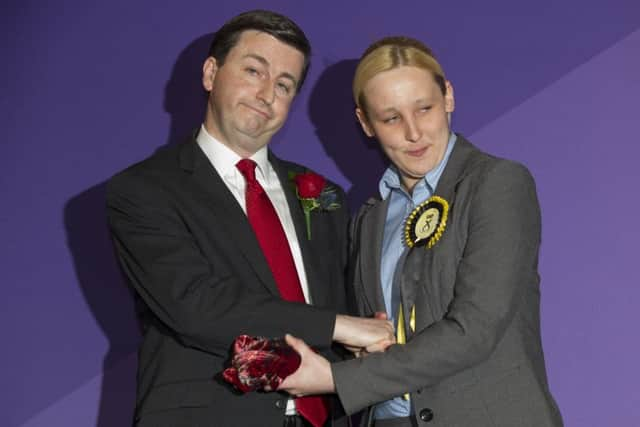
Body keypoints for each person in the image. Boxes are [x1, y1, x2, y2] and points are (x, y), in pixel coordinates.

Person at [106, 10, 393, 427]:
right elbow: (198, 307)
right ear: (210, 73)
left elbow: (343, 302)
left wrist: (368, 341)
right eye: (254, 71)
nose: (266, 94)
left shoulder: (324, 195)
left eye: (284, 85)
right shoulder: (143, 190)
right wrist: (342, 327)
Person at [280, 36, 564, 427]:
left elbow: (475, 330)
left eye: (425, 108)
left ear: (448, 97)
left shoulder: (497, 183)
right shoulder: (369, 217)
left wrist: (334, 378)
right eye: (391, 118)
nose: (413, 132)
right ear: (365, 123)